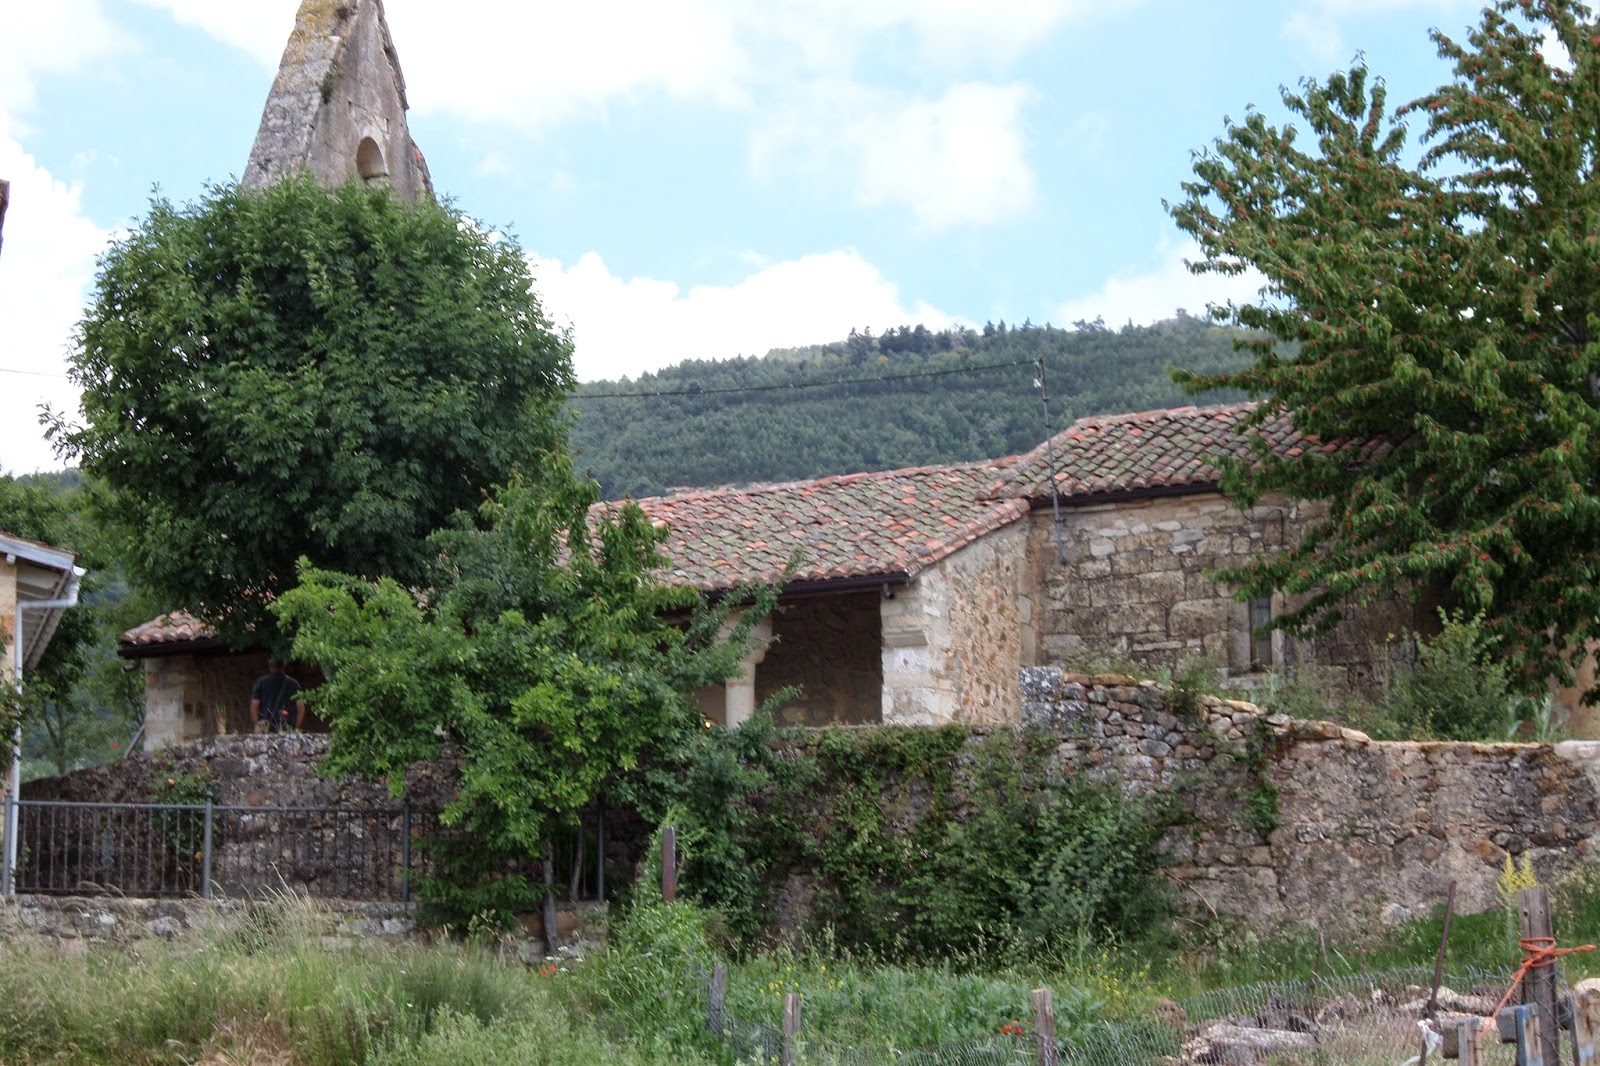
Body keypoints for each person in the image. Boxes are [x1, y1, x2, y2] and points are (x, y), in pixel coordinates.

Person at [250, 659, 307, 733]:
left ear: (269, 666)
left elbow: (254, 706)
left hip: (266, 727)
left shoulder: (260, 682)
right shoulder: (293, 684)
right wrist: (295, 728)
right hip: (287, 726)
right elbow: (301, 708)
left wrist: (258, 725)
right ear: (283, 666)